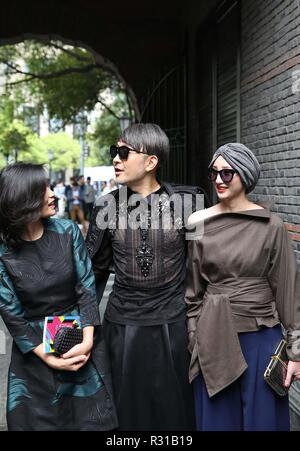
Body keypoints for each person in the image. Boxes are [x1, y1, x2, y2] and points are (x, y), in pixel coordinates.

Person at [85, 123, 209, 431]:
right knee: (126, 416)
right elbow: (92, 275)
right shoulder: (106, 207)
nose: (116, 159)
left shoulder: (188, 202)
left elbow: (202, 267)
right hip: (122, 327)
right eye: (115, 152)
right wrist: (79, 331)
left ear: (151, 161)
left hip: (174, 327)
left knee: (176, 415)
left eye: (124, 153)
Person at [185, 142, 300, 431]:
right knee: (217, 422)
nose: (219, 180)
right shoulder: (197, 222)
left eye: (227, 173)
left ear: (245, 175)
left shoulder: (271, 225)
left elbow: (288, 291)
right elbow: (193, 290)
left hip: (261, 338)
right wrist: (194, 337)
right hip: (213, 336)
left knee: (264, 422)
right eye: (214, 173)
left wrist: (296, 353)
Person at [0, 163, 117, 431]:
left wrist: (86, 342)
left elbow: (86, 287)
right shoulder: (3, 252)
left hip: (80, 343)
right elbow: (11, 313)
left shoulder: (68, 232)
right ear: (23, 197)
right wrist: (50, 358)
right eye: (45, 189)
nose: (54, 194)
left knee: (90, 422)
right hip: (34, 356)